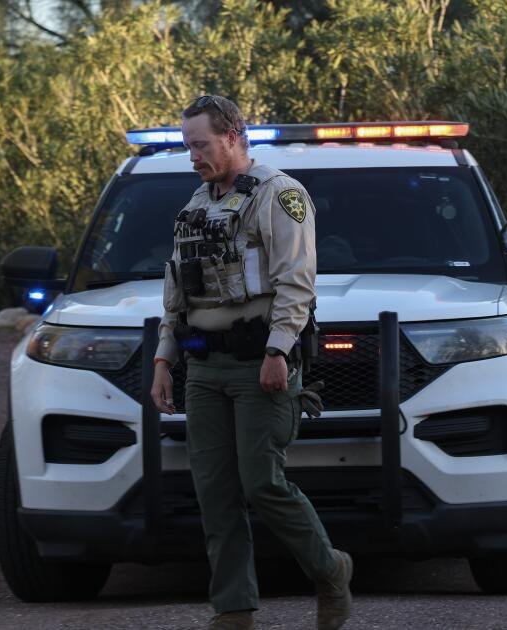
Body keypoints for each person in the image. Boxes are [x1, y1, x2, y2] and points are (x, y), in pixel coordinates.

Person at [150, 95, 353, 630]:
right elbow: (177, 292)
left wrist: (277, 350)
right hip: (204, 367)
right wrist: (164, 359)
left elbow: (297, 283)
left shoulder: (279, 195)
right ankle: (234, 611)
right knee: (214, 493)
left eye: (201, 145)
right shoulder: (197, 205)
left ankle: (331, 571)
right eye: (188, 146)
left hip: (259, 361)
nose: (193, 156)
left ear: (233, 136)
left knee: (262, 482)